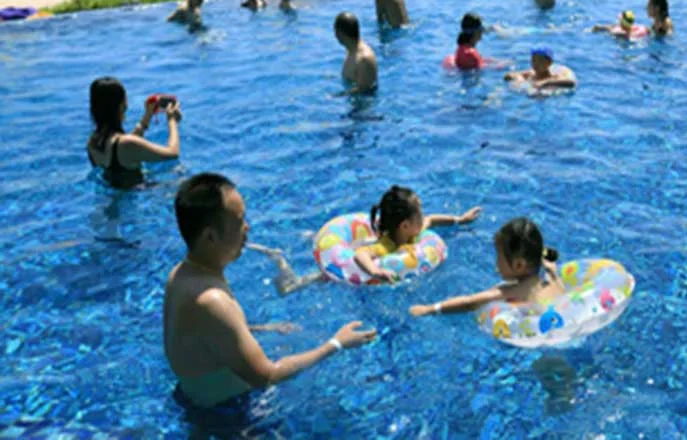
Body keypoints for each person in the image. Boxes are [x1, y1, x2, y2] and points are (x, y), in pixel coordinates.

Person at [164, 173, 377, 408]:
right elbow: (267, 376)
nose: (247, 227)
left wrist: (261, 329)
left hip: (199, 396)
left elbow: (204, 333)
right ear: (210, 236)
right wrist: (336, 343)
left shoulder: (182, 274)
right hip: (227, 414)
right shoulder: (213, 301)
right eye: (239, 221)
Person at [253, 185, 481, 293]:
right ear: (405, 226)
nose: (424, 217)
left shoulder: (416, 231)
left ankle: (309, 236)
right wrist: (375, 271)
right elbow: (361, 254)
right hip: (344, 269)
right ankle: (279, 260)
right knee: (289, 288)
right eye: (419, 214)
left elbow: (432, 220)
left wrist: (460, 219)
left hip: (359, 254)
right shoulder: (385, 246)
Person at [409, 217, 563, 317]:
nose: (496, 263)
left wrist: (429, 309)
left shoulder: (511, 290)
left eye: (499, 257)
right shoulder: (551, 279)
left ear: (518, 265)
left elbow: (470, 302)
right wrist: (552, 270)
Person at [86, 77, 181, 189]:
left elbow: (126, 149)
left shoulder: (92, 143)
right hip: (142, 191)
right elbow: (173, 153)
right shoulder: (127, 144)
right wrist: (172, 121)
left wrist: (148, 114)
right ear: (122, 106)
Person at [334, 12, 377, 94]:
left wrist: (337, 96)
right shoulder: (350, 49)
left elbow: (364, 89)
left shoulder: (364, 59)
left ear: (340, 34)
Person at [504, 48, 576, 90]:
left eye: (540, 61)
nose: (536, 64)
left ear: (549, 63)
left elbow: (571, 83)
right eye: (533, 61)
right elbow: (508, 76)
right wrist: (519, 79)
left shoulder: (554, 77)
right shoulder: (530, 74)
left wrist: (545, 83)